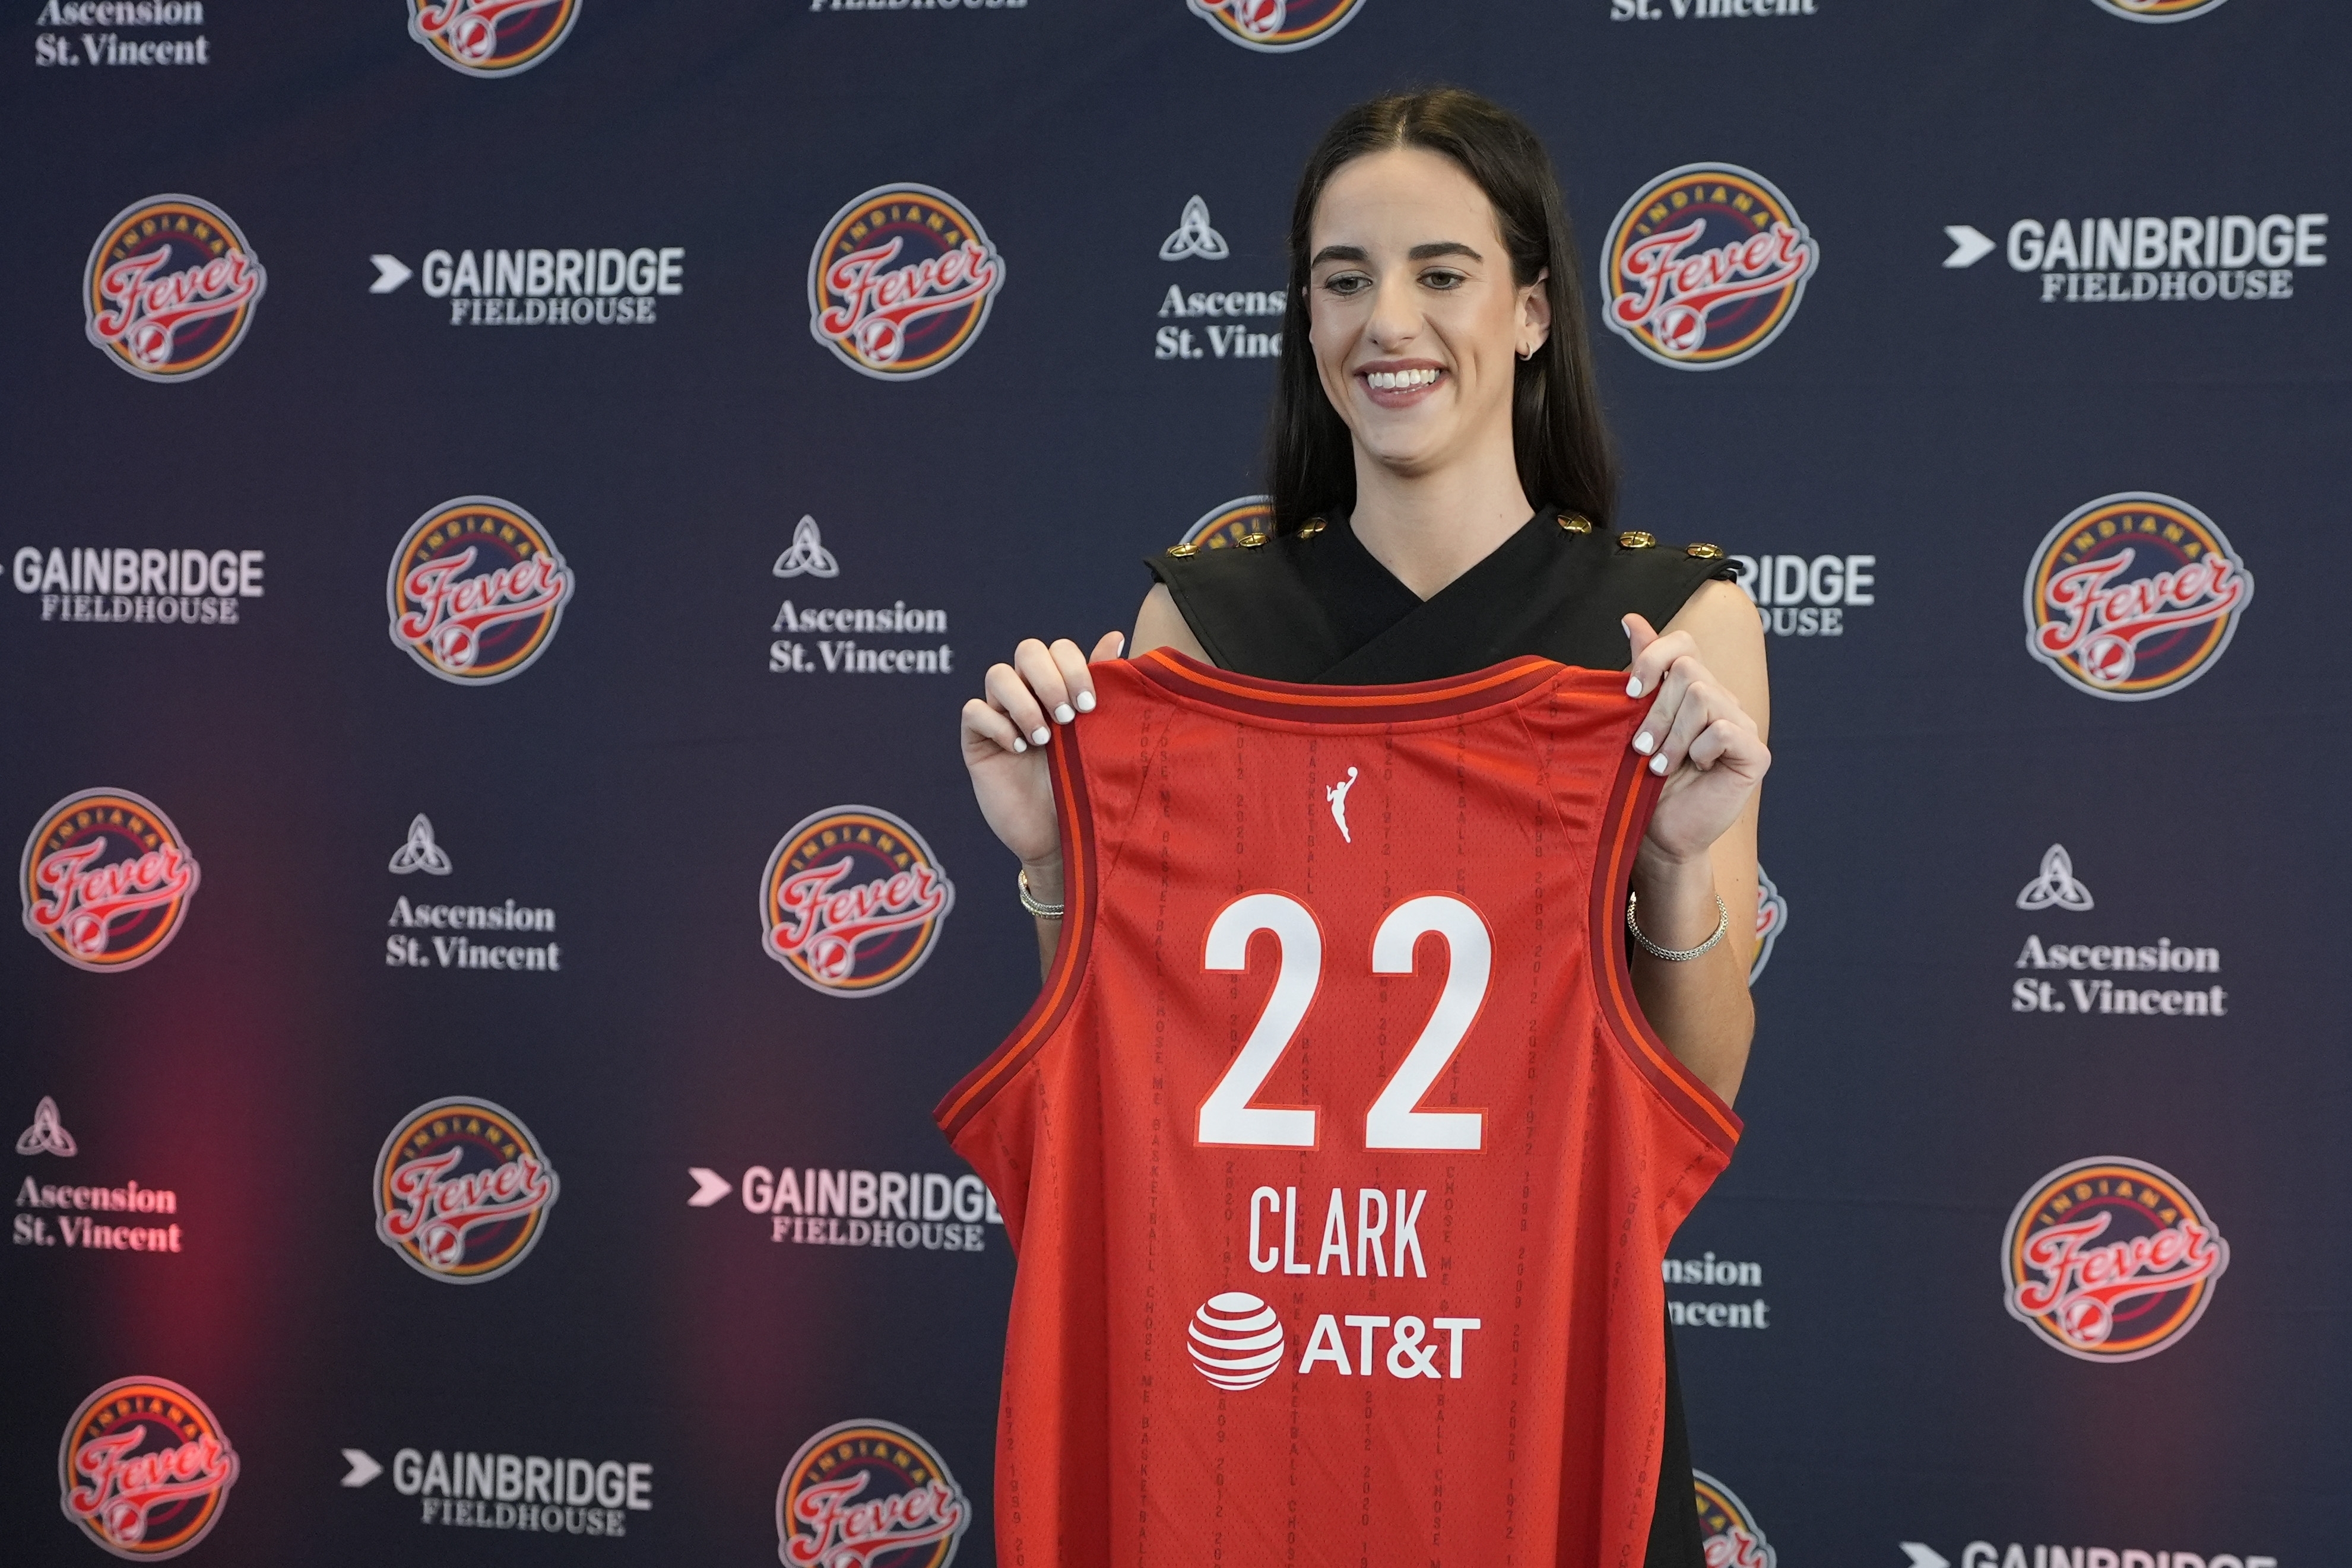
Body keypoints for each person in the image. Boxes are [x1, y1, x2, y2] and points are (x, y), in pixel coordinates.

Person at [957, 87, 1768, 1566]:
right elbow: (1128, 1070)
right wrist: (1048, 866)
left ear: (1530, 311)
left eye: (1439, 273)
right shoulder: (1194, 625)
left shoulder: (1670, 625)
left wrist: (1669, 857)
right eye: (1343, 280)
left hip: (1524, 1386)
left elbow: (1692, 1095)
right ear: (1305, 320)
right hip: (1236, 1404)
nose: (1387, 321)